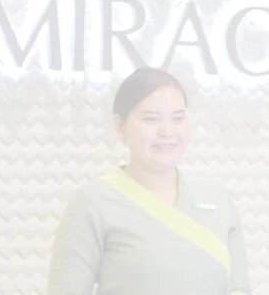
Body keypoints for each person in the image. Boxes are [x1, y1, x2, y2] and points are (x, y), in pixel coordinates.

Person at [47, 67, 251, 295]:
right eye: (151, 119)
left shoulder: (217, 197)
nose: (167, 131)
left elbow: (240, 288)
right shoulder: (92, 202)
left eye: (178, 118)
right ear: (120, 126)